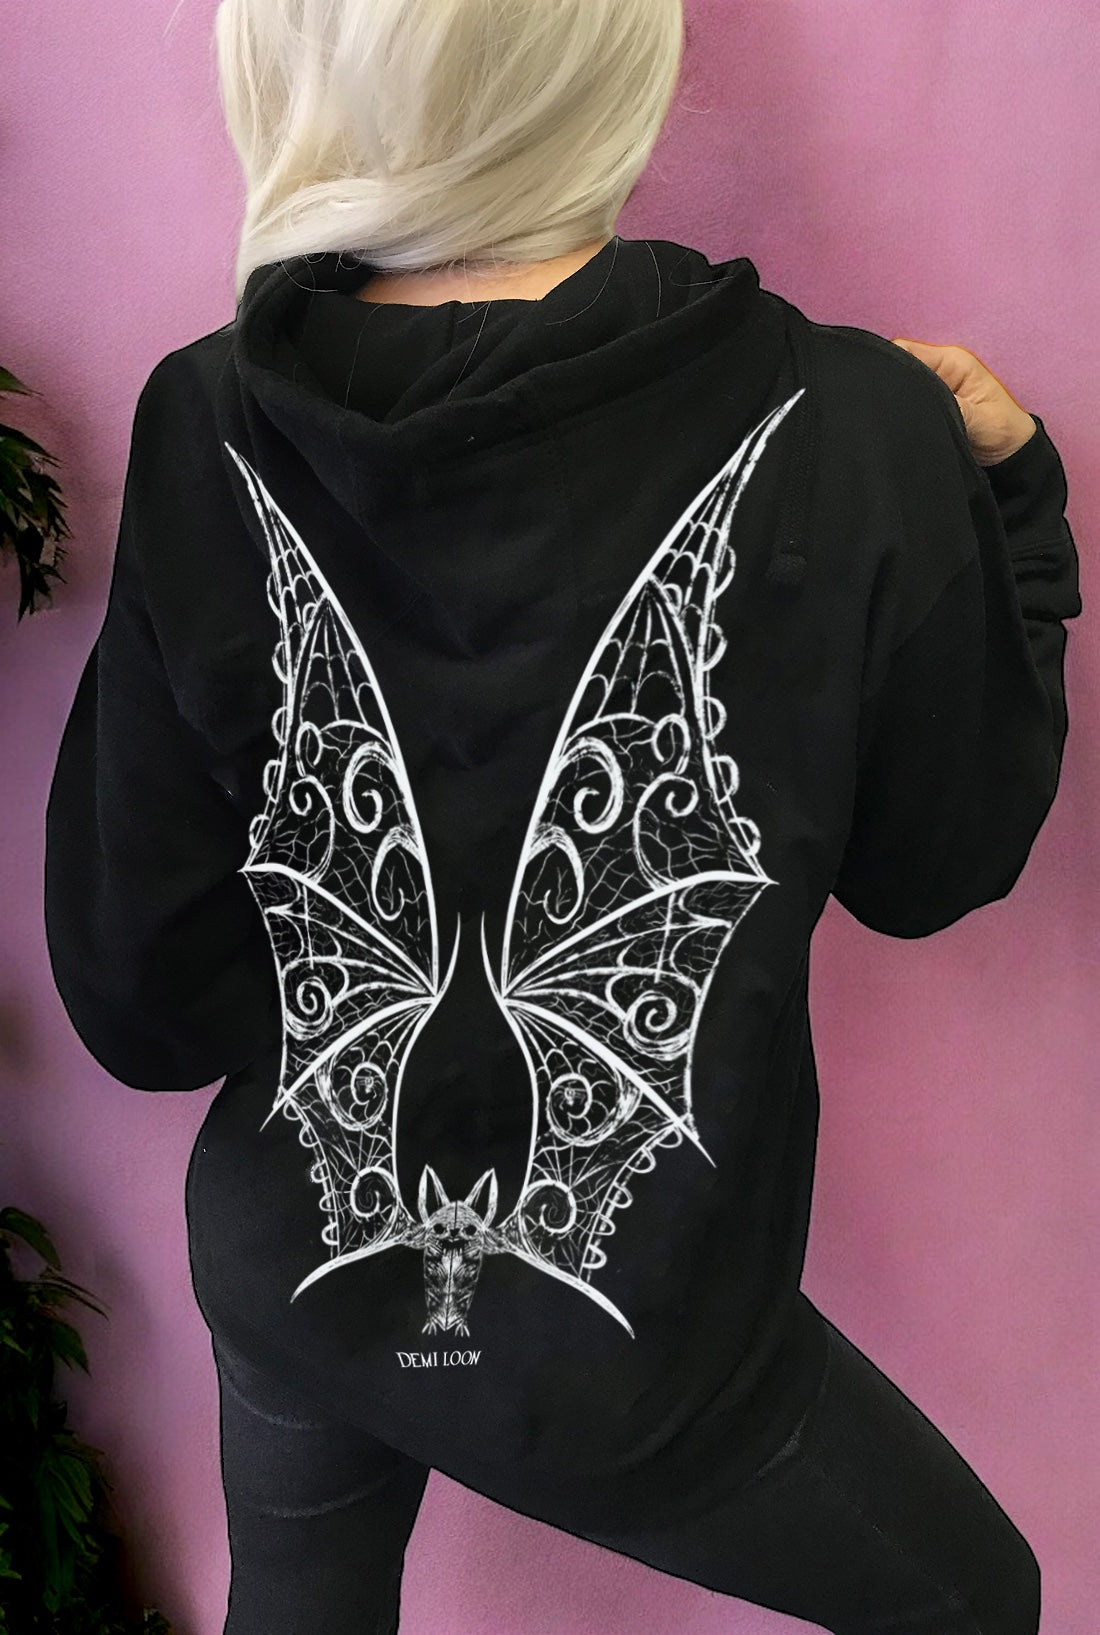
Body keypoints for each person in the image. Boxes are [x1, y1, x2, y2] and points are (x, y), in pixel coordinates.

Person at [42, 2, 1081, 1632]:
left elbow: (142, 1002)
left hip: (296, 1264)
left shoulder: (210, 414)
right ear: (617, 57)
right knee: (977, 1602)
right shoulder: (852, 420)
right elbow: (936, 864)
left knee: (302, 1605)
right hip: (630, 1349)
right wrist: (1011, 502)